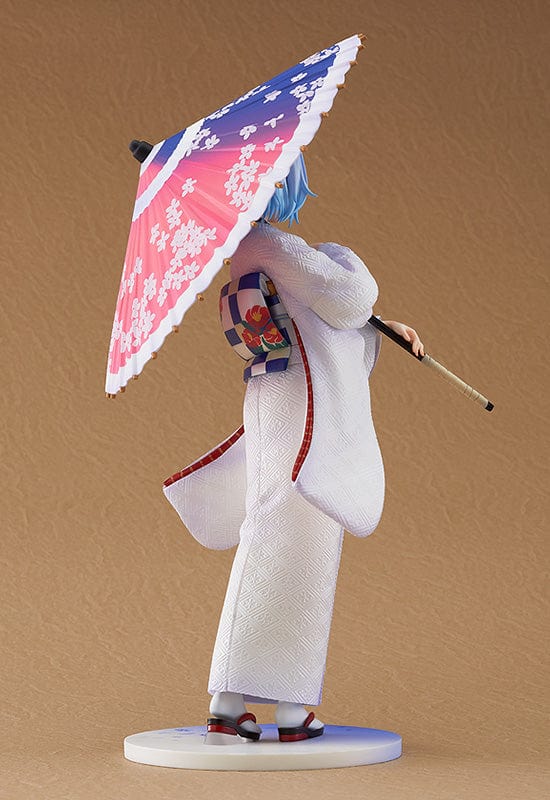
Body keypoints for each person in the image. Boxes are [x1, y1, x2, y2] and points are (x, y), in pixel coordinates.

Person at [163, 154, 424, 743]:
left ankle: (231, 701)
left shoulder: (247, 250)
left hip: (277, 401)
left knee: (273, 535)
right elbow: (349, 297)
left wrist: (380, 327)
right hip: (303, 410)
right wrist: (342, 255)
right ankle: (289, 707)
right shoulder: (275, 246)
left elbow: (327, 316)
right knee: (300, 543)